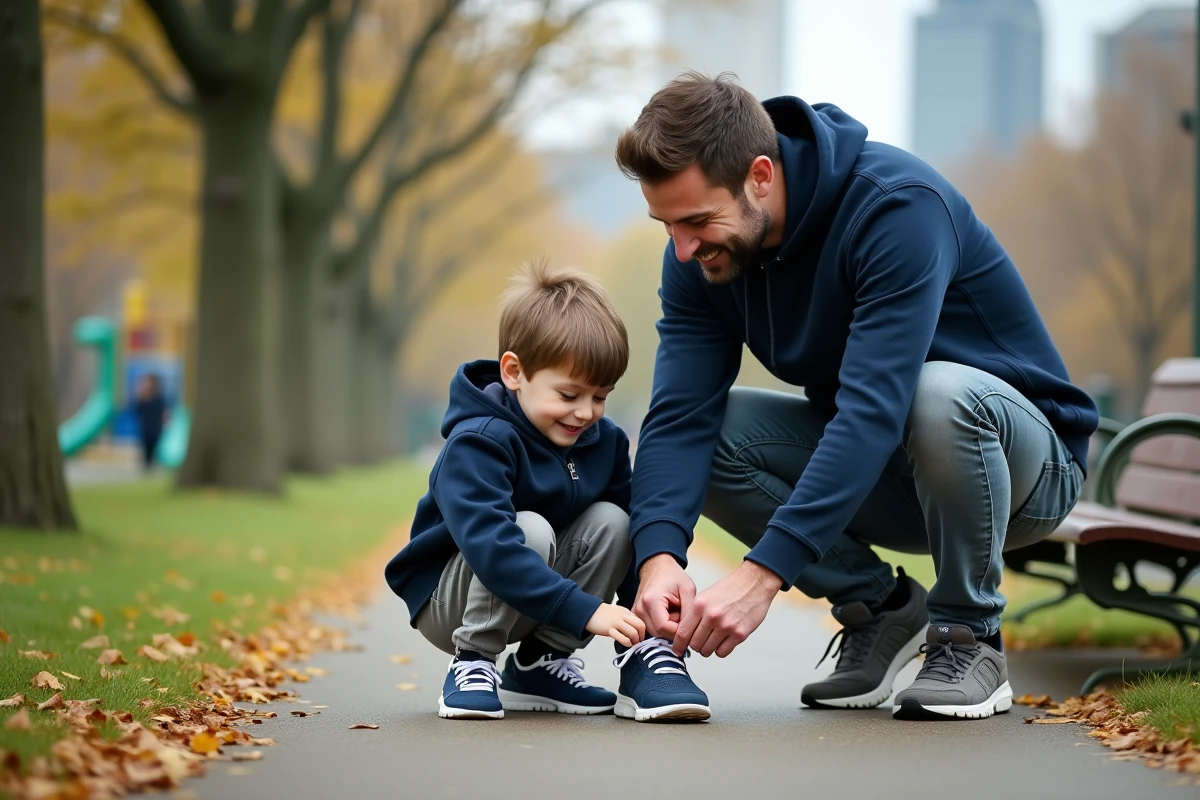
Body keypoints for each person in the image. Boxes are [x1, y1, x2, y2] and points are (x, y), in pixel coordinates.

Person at [616, 72, 1098, 721]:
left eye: (698, 220)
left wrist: (764, 576)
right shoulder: (700, 259)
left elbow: (874, 408)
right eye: (666, 223)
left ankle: (968, 637)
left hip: (1022, 472)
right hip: (898, 470)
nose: (682, 247)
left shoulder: (896, 207)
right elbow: (679, 416)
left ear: (760, 175)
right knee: (717, 433)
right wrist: (657, 558)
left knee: (935, 390)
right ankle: (882, 608)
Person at [384, 262, 709, 722]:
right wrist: (585, 610)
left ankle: (540, 664)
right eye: (569, 394)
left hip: (533, 595)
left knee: (615, 522)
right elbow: (493, 547)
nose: (585, 413)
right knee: (528, 528)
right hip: (450, 602)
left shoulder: (607, 441)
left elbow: (631, 541)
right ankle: (473, 663)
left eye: (600, 396)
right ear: (515, 373)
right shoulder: (479, 442)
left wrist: (650, 624)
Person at [133, 373, 166, 472]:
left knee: (153, 449)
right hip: (145, 428)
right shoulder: (143, 399)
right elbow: (137, 412)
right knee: (145, 449)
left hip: (155, 428)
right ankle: (147, 467)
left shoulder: (158, 398)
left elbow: (162, 412)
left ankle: (151, 466)